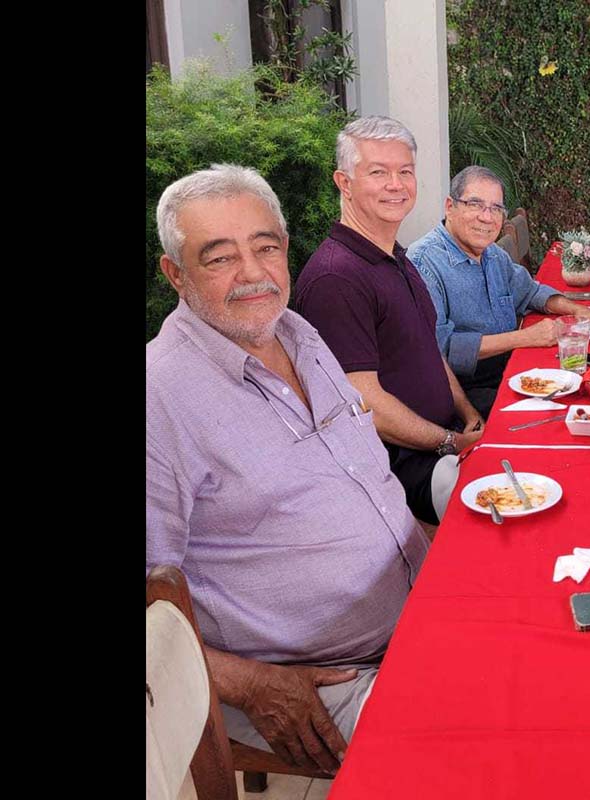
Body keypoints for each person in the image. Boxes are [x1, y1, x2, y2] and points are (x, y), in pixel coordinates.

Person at [147, 164, 431, 774]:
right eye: (219, 258)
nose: (253, 274)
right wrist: (250, 685)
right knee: (492, 753)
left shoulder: (298, 330)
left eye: (266, 247)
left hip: (423, 609)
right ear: (175, 273)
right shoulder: (158, 396)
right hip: (329, 678)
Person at [295, 116, 485, 525]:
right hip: (402, 470)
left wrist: (467, 410)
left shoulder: (394, 256)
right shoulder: (336, 278)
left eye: (405, 172)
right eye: (378, 172)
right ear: (344, 183)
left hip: (445, 436)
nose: (395, 184)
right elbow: (365, 405)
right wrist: (451, 442)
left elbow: (428, 348)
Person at [407, 165, 590, 417]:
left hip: (507, 371)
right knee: (562, 415)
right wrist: (526, 338)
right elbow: (440, 350)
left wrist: (582, 312)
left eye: (496, 208)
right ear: (450, 207)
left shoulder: (492, 255)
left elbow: (531, 292)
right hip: (461, 394)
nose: (487, 217)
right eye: (475, 204)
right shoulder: (424, 263)